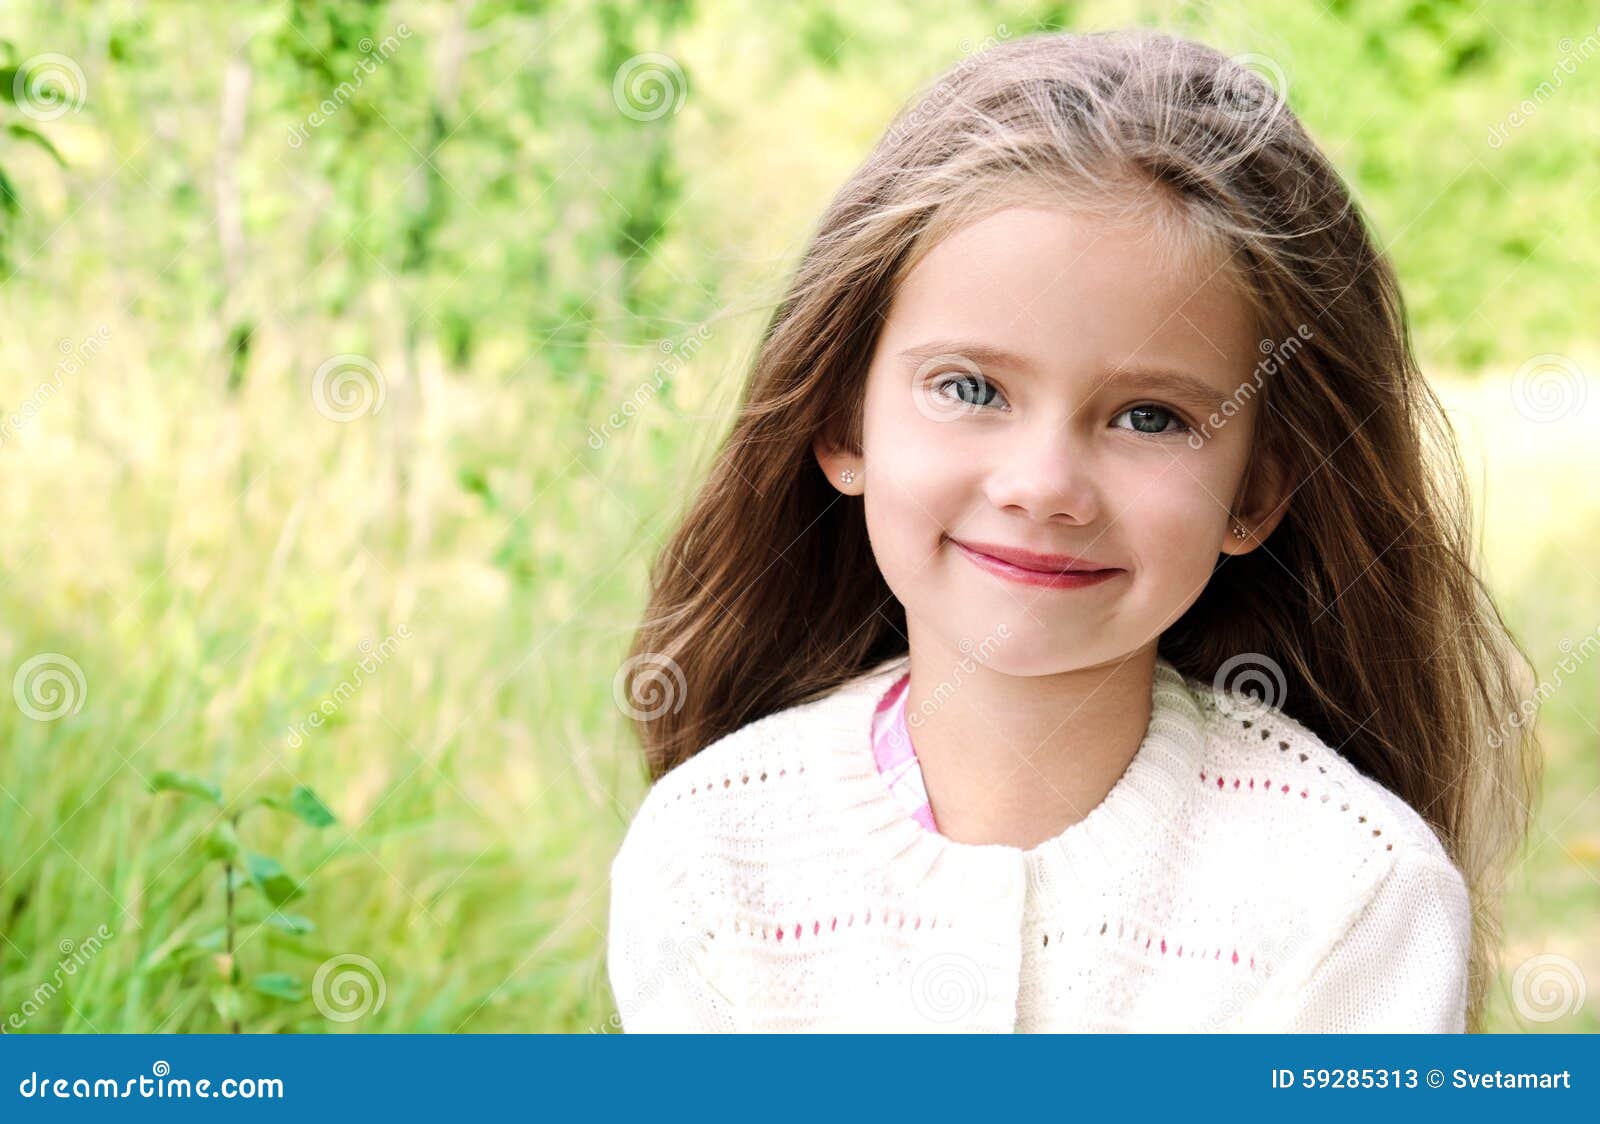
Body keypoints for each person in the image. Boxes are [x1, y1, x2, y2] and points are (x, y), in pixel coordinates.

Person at [607, 27, 1540, 1032]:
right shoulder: (710, 849)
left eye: (1151, 417)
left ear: (1255, 493)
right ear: (841, 422)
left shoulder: (1352, 894)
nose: (1045, 485)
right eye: (970, 387)